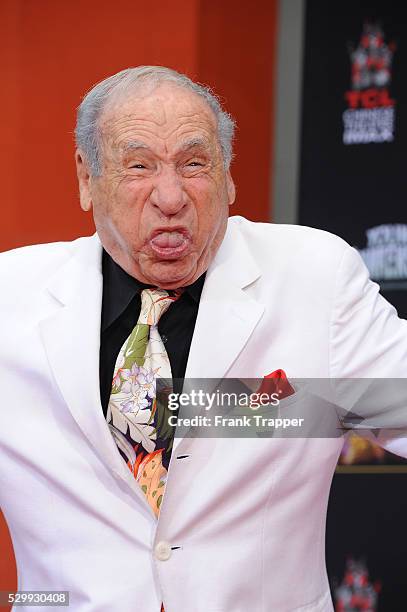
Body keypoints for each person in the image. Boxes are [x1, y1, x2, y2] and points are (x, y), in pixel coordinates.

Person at [0, 66, 406, 612]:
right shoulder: (11, 298)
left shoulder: (313, 280)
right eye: (138, 166)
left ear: (229, 175)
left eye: (195, 163)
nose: (171, 197)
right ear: (86, 178)